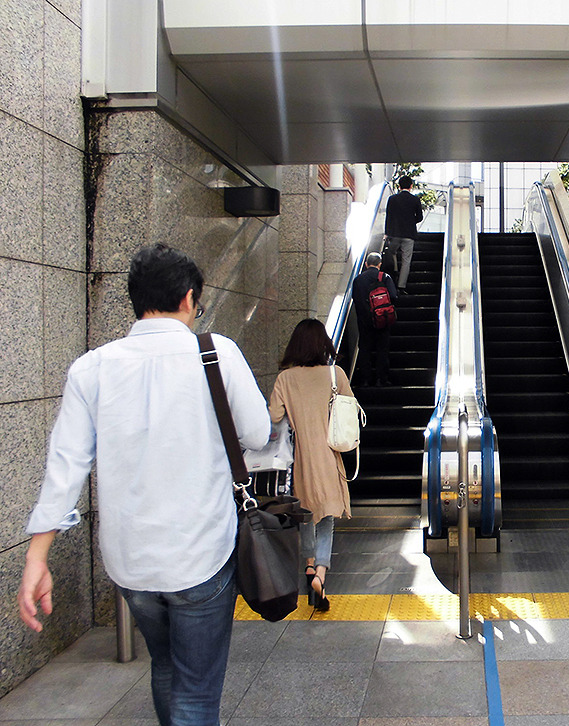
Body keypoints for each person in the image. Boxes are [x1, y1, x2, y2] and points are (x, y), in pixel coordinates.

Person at [18, 243, 270, 726]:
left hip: (130, 563)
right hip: (202, 555)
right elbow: (257, 433)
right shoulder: (216, 354)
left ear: (137, 300)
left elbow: (66, 464)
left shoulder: (93, 367)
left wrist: (37, 556)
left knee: (166, 669)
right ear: (190, 298)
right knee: (196, 691)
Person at [268, 319, 355, 612]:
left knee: (306, 513)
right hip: (329, 455)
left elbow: (274, 417)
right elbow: (349, 410)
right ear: (323, 344)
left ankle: (307, 566)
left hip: (301, 459)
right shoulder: (336, 374)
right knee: (327, 516)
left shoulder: (285, 379)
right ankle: (320, 571)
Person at [352, 251, 398, 387]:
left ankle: (366, 380)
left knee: (365, 348)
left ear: (366, 264)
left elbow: (356, 300)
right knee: (382, 349)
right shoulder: (384, 277)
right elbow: (394, 296)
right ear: (380, 264)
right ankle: (381, 379)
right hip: (382, 319)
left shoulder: (358, 279)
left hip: (364, 321)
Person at [383, 175, 423, 293]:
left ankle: (394, 271)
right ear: (411, 186)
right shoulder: (415, 200)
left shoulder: (392, 199)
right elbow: (419, 217)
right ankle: (401, 286)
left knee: (391, 252)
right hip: (409, 234)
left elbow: (388, 217)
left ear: (399, 186)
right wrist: (411, 222)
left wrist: (387, 232)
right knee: (406, 260)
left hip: (394, 233)